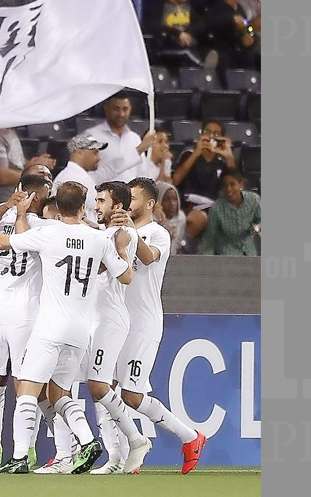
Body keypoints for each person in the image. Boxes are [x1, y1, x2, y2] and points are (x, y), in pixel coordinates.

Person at [0, 182, 134, 475]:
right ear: (82, 207)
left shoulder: (46, 232)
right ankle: (89, 440)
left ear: (58, 207)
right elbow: (126, 276)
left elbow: (7, 243)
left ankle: (18, 457)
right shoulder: (98, 239)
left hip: (50, 327)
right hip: (80, 330)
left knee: (27, 391)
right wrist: (122, 249)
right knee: (60, 393)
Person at [115, 178, 207, 472]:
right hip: (117, 320)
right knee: (105, 388)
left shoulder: (158, 234)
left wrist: (130, 230)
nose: (128, 201)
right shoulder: (119, 230)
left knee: (131, 395)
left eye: (133, 197)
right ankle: (126, 456)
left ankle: (190, 437)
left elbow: (148, 257)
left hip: (144, 322)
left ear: (150, 204)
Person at [0, 176, 55, 473]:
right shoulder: (45, 227)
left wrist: (9, 207)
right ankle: (27, 449)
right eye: (46, 193)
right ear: (36, 195)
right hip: (25, 312)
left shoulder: (3, 217)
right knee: (26, 383)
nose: (47, 197)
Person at [84, 182, 153, 475]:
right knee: (100, 387)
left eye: (102, 201)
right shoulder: (110, 232)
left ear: (118, 206)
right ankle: (118, 455)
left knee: (99, 386)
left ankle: (136, 441)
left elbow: (115, 272)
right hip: (100, 317)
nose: (97, 205)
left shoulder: (120, 234)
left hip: (110, 318)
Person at [171, 120, 236, 238]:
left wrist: (229, 157)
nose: (211, 136)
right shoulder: (188, 154)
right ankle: (179, 246)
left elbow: (235, 188)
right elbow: (175, 181)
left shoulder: (222, 161)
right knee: (199, 218)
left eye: (216, 134)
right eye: (207, 132)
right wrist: (196, 153)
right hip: (189, 205)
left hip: (214, 207)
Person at [79, 93, 158, 185]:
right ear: (106, 108)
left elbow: (141, 173)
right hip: (100, 195)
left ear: (130, 109)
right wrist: (139, 149)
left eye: (125, 109)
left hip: (129, 196)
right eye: (116, 109)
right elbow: (87, 174)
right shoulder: (91, 135)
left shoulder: (134, 138)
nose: (121, 114)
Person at [0, 128, 55, 214]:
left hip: (16, 204)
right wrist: (35, 175)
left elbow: (16, 163)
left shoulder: (11, 132)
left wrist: (35, 164)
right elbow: (2, 176)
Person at [200, 0, 259, 76]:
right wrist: (230, 21)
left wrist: (250, 37)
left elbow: (248, 26)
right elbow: (210, 24)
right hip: (221, 47)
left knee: (251, 57)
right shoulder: (217, 7)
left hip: (238, 47)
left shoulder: (241, 9)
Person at [199, 168, 261, 255]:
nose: (228, 189)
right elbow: (210, 238)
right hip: (227, 255)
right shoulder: (216, 209)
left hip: (250, 252)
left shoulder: (254, 200)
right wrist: (207, 261)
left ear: (241, 185)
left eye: (232, 184)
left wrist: (258, 226)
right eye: (225, 185)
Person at [51, 134, 106, 222]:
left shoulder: (67, 174)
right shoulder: (78, 177)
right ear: (79, 153)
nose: (99, 158)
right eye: (95, 152)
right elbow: (101, 207)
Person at [155, 181, 187, 255]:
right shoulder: (150, 219)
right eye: (166, 199)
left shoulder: (181, 218)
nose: (172, 204)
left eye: (174, 199)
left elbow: (178, 244)